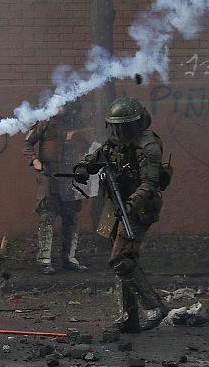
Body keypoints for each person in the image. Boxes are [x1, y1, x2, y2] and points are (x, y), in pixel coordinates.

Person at [73, 97, 170, 333]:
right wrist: (82, 168)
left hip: (139, 208)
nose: (118, 130)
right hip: (114, 204)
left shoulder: (147, 146)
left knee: (120, 258)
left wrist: (131, 204)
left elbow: (150, 183)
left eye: (123, 125)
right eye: (115, 125)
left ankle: (154, 305)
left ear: (136, 123)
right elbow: (94, 159)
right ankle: (129, 318)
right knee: (124, 263)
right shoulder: (114, 142)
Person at [24, 103, 89, 275]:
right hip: (50, 176)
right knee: (47, 216)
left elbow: (87, 145)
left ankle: (69, 258)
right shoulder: (44, 122)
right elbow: (27, 145)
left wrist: (83, 161)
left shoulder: (77, 122)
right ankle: (44, 260)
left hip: (71, 176)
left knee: (72, 218)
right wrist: (36, 162)